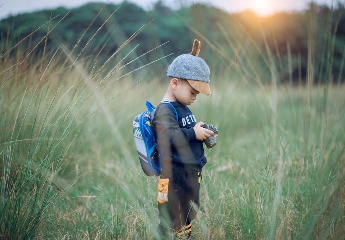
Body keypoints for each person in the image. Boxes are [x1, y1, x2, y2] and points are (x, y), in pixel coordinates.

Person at [152, 39, 216, 239]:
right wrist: (193, 133)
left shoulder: (182, 107)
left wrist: (200, 130)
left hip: (187, 173)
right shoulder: (164, 110)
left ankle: (183, 235)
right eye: (192, 91)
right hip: (173, 175)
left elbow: (183, 132)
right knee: (172, 216)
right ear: (174, 82)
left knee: (188, 212)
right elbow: (169, 137)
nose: (195, 97)